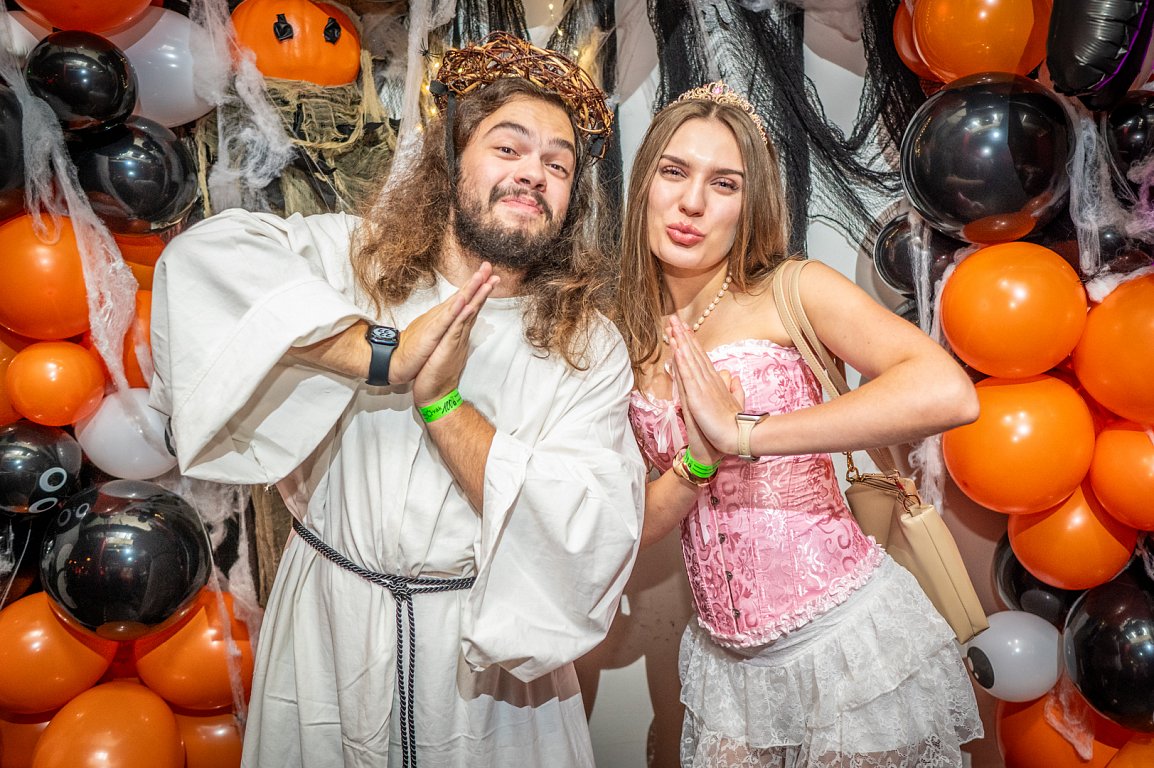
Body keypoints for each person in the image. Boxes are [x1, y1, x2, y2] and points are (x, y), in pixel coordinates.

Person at [149, 32, 646, 768]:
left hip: (486, 677)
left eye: (558, 164)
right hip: (330, 631)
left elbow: (590, 526)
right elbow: (202, 263)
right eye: (508, 148)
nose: (533, 174)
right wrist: (380, 355)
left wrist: (443, 405)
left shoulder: (589, 345)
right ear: (452, 158)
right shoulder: (360, 262)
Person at [616, 82, 985, 767]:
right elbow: (629, 520)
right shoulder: (626, 333)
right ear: (643, 185)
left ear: (749, 202)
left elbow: (946, 392)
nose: (692, 202)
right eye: (674, 171)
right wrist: (695, 462)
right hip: (726, 672)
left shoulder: (791, 288)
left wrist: (745, 435)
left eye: (723, 183)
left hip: (845, 648)